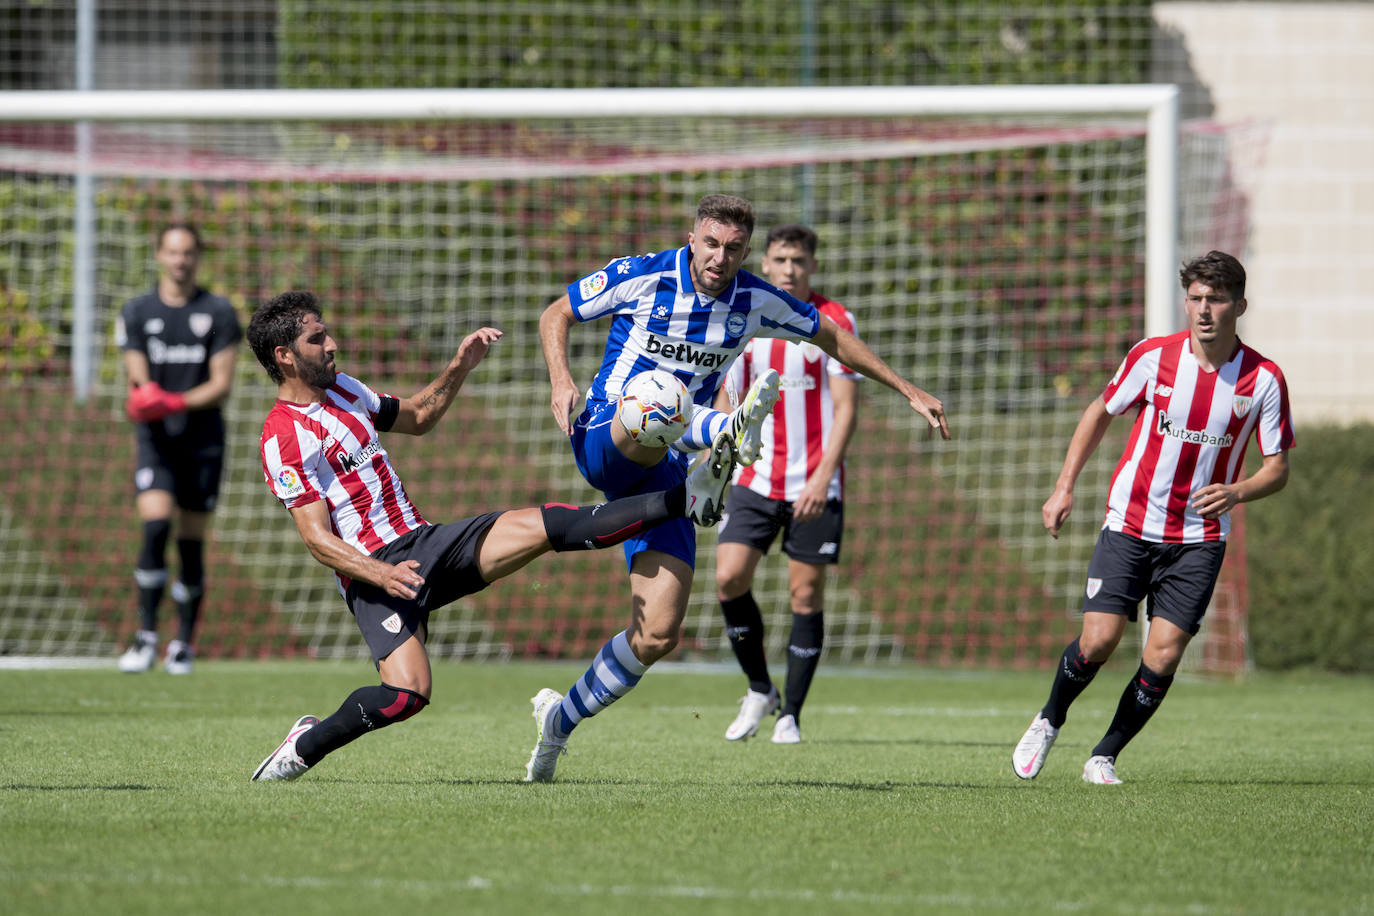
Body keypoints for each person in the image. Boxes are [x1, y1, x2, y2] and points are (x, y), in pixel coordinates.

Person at [530, 194, 949, 782]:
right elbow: (557, 314)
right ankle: (723, 434)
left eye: (732, 248)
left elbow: (829, 335)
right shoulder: (643, 274)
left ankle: (558, 724)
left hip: (664, 472)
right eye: (710, 244)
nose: (719, 258)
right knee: (660, 398)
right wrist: (560, 379)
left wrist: (907, 389)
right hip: (607, 430)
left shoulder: (754, 299)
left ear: (745, 251)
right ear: (692, 237)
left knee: (658, 633)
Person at [245, 291, 732, 781]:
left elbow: (415, 416)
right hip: (374, 570)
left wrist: (460, 366)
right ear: (284, 356)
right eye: (316, 338)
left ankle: (685, 499)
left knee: (547, 526)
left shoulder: (345, 390)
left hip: (426, 542)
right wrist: (382, 574)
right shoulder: (281, 435)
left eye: (326, 331)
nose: (331, 343)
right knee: (405, 696)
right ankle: (304, 745)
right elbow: (316, 539)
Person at [1012, 250, 1294, 785]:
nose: (1204, 310)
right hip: (1131, 524)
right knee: (1098, 640)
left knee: (1162, 656)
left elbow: (1277, 468)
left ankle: (1104, 756)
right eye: (1195, 299)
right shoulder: (1152, 357)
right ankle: (1049, 719)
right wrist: (1064, 487)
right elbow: (1099, 412)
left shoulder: (1263, 380)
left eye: (1216, 299)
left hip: (1199, 539)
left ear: (1240, 305)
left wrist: (1238, 491)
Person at [713, 224, 861, 745]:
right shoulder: (749, 316)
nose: (789, 268)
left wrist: (823, 476)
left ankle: (791, 713)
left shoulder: (835, 320)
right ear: (766, 263)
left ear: (811, 265)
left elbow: (845, 411)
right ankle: (760, 689)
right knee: (729, 577)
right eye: (780, 259)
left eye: (798, 260)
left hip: (815, 484)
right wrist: (723, 454)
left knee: (805, 594)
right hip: (755, 478)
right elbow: (730, 398)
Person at [115, 222, 242, 675]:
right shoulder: (137, 311)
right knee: (154, 526)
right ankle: (146, 637)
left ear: (197, 257)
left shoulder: (220, 312)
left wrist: (174, 400)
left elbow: (222, 385)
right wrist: (147, 396)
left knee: (191, 542)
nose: (180, 260)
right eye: (172, 251)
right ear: (159, 255)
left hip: (203, 441)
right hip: (157, 442)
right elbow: (137, 375)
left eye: (188, 252)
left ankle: (182, 644)